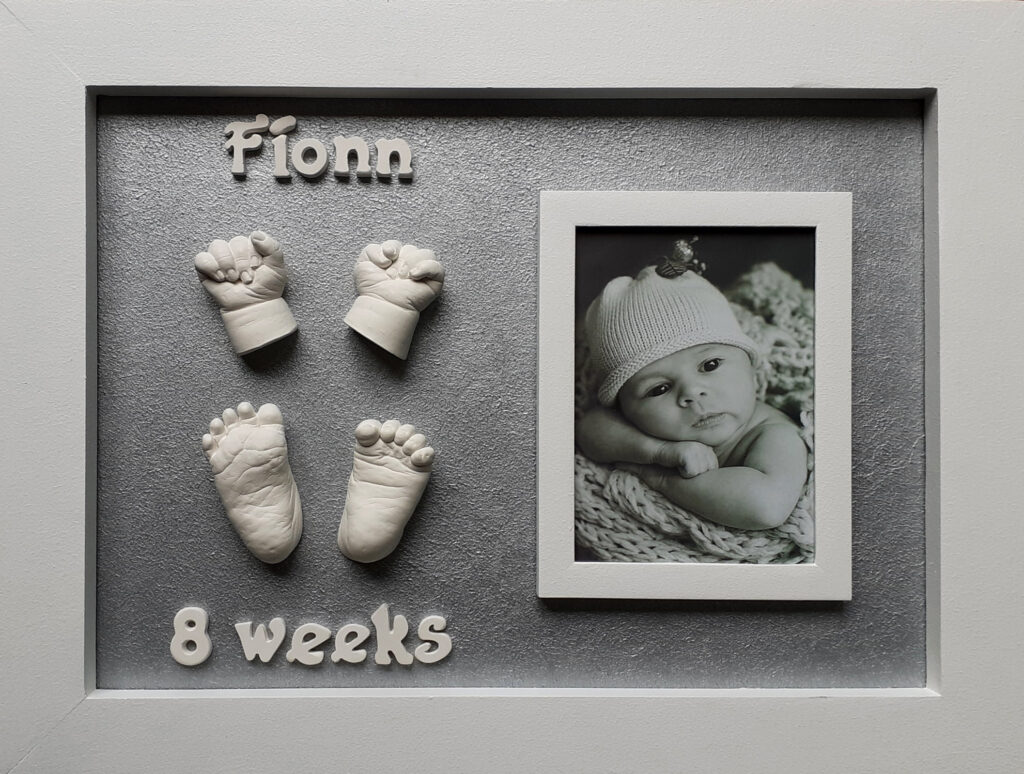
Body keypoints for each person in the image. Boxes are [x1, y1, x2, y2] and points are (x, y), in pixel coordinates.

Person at [576, 248, 808, 531]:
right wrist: (658, 452)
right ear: (624, 406)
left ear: (751, 364)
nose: (691, 392)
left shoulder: (773, 433)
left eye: (710, 365)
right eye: (659, 388)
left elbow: (766, 507)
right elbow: (590, 430)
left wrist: (660, 478)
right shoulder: (652, 434)